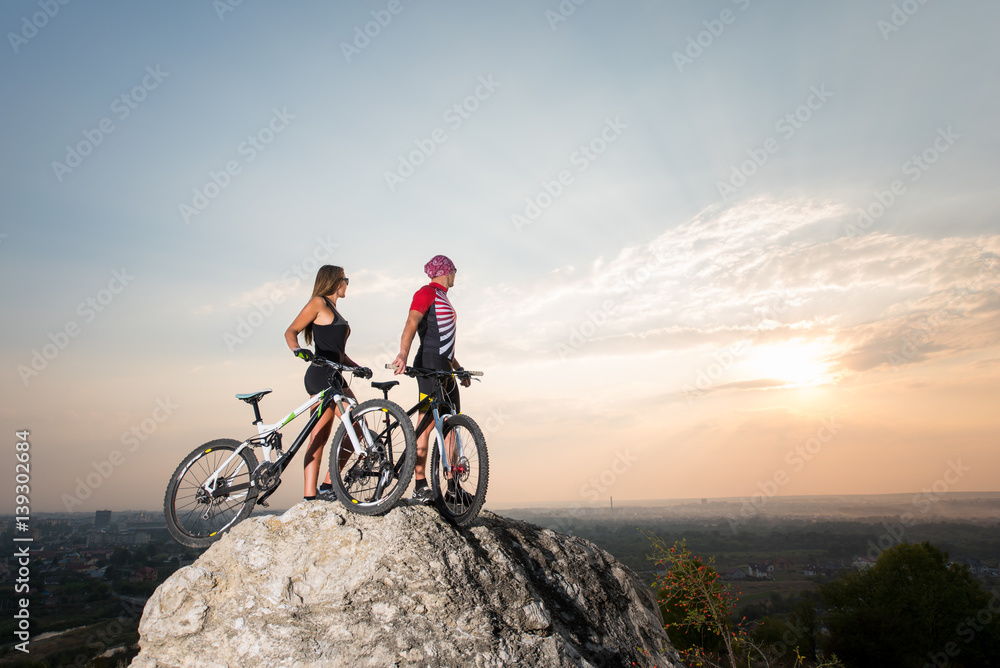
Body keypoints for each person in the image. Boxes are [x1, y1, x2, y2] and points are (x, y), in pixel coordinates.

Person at [391, 254, 471, 504]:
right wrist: (403, 354)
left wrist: (458, 368)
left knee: (452, 426)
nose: (455, 275)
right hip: (428, 364)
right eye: (454, 270)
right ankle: (419, 484)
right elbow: (412, 322)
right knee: (425, 425)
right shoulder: (426, 292)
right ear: (446, 272)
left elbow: (446, 341)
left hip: (445, 367)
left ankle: (453, 487)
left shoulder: (443, 298)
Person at [284, 265, 361, 502]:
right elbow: (291, 331)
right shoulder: (318, 303)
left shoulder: (336, 311)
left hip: (336, 376)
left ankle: (328, 484)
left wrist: (357, 367)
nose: (347, 284)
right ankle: (310, 495)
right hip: (320, 375)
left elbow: (339, 353)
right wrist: (298, 350)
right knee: (319, 436)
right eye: (346, 279)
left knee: (357, 426)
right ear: (337, 281)